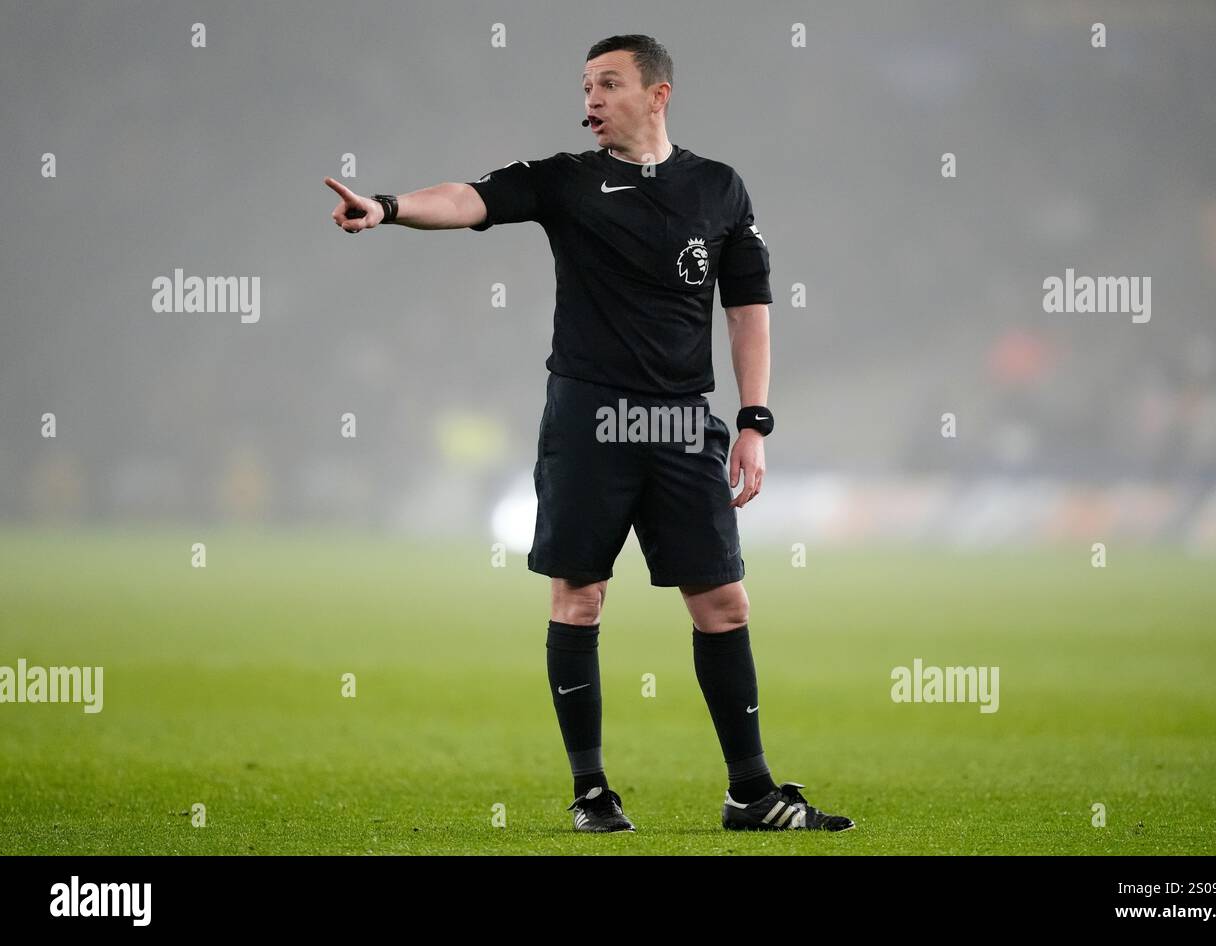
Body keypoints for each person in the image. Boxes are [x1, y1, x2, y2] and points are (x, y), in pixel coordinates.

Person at [324, 34, 852, 834]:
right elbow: (470, 198)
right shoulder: (567, 181)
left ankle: (751, 794)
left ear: (658, 93)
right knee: (579, 600)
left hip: (682, 425)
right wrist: (389, 208)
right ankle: (591, 793)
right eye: (586, 87)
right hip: (589, 421)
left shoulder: (718, 188)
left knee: (725, 606)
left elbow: (748, 310)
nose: (591, 100)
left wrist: (753, 422)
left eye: (608, 84)